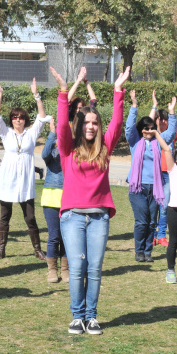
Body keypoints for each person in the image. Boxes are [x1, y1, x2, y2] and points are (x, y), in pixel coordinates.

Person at [51, 65, 130, 335]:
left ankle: (91, 317)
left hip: (99, 216)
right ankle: (77, 316)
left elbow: (117, 123)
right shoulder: (67, 148)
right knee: (77, 267)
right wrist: (63, 92)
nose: (91, 126)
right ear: (80, 125)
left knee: (94, 268)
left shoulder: (105, 149)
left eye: (95, 122)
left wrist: (118, 90)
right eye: (86, 122)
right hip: (72, 216)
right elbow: (61, 125)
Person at [0, 71, 50, 261]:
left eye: (21, 117)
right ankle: (1, 248)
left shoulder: (31, 134)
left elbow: (42, 117)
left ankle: (38, 249)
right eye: (15, 117)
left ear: (25, 120)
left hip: (25, 181)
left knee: (30, 217)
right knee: (4, 216)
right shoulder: (6, 133)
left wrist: (36, 95)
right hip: (7, 179)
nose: (17, 119)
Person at [125, 90, 176, 262]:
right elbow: (129, 128)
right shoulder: (135, 142)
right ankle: (139, 251)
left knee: (152, 223)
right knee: (142, 221)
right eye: (145, 128)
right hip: (138, 188)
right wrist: (134, 106)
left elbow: (171, 134)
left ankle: (147, 252)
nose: (148, 130)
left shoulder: (157, 143)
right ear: (141, 130)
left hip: (155, 188)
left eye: (151, 128)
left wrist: (172, 112)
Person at [153, 92, 177, 247]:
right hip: (154, 175)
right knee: (153, 206)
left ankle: (161, 235)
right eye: (161, 119)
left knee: (165, 205)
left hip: (167, 175)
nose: (164, 122)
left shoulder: (171, 136)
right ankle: (152, 234)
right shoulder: (151, 136)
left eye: (166, 119)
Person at [41, 115, 67, 284]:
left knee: (66, 237)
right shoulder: (52, 148)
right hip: (51, 197)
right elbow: (44, 155)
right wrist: (52, 135)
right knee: (54, 236)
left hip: (69, 197)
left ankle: (65, 269)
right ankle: (52, 270)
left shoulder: (71, 147)